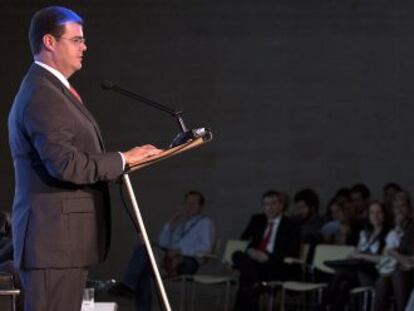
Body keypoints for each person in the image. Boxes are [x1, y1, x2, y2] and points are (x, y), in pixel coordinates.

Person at [8, 6, 162, 311]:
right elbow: (64, 164)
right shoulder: (42, 92)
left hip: (62, 245)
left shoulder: (53, 89)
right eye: (77, 40)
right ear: (50, 42)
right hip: (52, 244)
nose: (85, 47)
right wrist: (121, 159)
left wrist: (127, 162)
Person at [110, 191, 214, 311]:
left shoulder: (206, 223)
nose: (189, 206)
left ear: (201, 206)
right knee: (144, 266)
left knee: (145, 260)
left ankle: (128, 284)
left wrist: (180, 250)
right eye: (187, 202)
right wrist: (171, 221)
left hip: (187, 262)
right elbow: (163, 243)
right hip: (169, 258)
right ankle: (134, 293)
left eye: (193, 203)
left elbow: (206, 248)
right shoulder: (182, 224)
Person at [233, 190, 301, 311]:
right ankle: (257, 283)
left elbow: (292, 251)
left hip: (276, 264)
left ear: (281, 205)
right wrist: (251, 251)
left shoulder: (291, 225)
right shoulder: (257, 220)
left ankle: (254, 284)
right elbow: (244, 240)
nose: (269, 208)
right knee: (237, 255)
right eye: (266, 204)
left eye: (273, 203)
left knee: (245, 280)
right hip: (255, 262)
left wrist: (268, 257)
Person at [323, 201, 390, 311]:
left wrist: (363, 256)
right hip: (358, 273)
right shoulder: (365, 233)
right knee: (344, 285)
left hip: (374, 274)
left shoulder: (390, 234)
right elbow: (356, 253)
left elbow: (384, 259)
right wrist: (348, 258)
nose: (375, 216)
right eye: (372, 213)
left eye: (379, 212)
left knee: (340, 274)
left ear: (384, 214)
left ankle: (321, 307)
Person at [374, 195, 414, 311]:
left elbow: (409, 262)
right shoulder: (393, 229)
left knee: (397, 274)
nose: (399, 210)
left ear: (409, 207)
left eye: (402, 206)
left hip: (408, 270)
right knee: (382, 280)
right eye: (396, 207)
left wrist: (394, 253)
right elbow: (384, 254)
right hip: (398, 268)